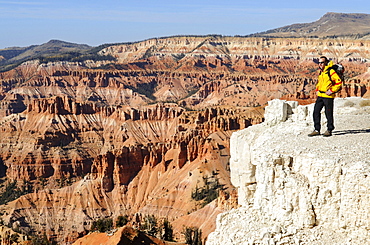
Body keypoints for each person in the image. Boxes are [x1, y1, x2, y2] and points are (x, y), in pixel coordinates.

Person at [308, 56, 342, 137]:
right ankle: (317, 129)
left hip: (328, 96)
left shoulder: (330, 71)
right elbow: (319, 83)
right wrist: (317, 90)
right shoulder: (322, 72)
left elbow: (338, 82)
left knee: (328, 113)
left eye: (322, 62)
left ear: (326, 63)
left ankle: (329, 129)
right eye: (319, 63)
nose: (320, 64)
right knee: (316, 112)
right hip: (320, 95)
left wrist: (331, 91)